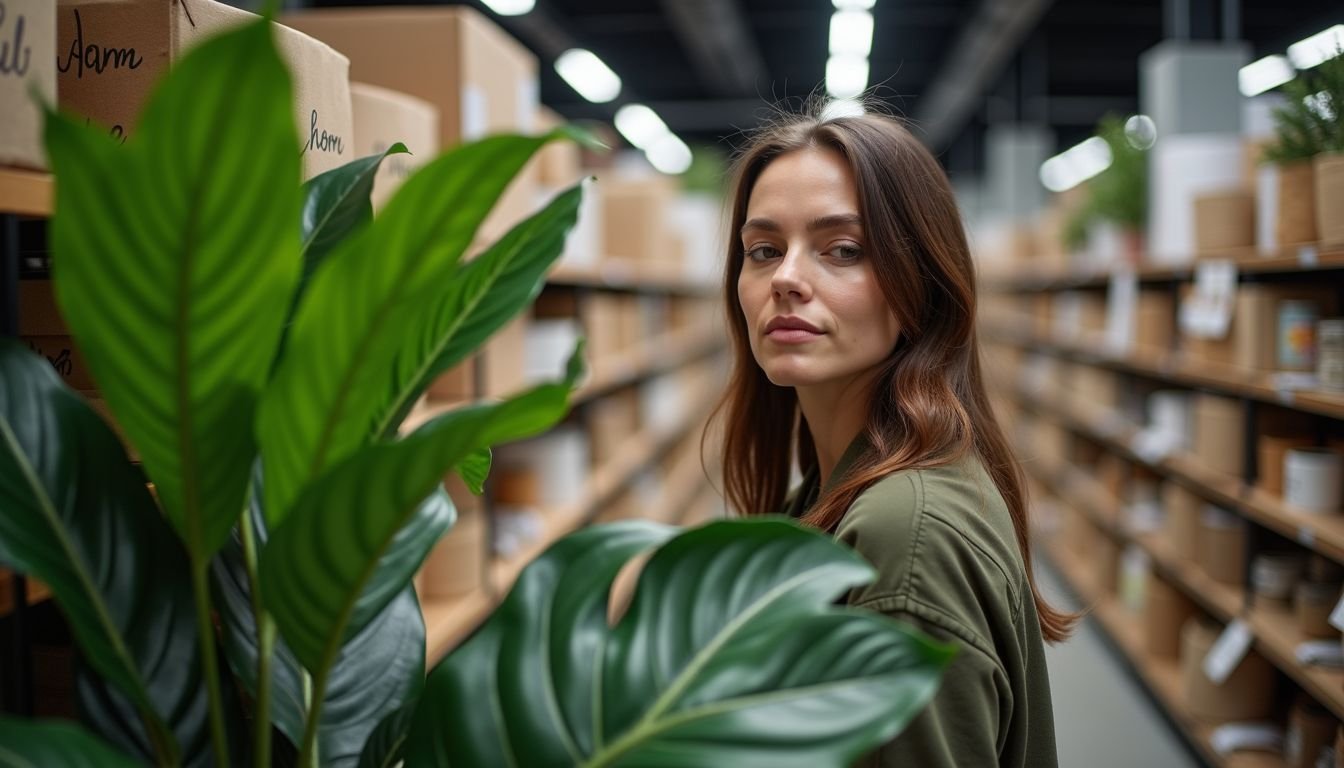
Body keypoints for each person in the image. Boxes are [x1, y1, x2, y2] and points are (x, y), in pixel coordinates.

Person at [712, 105, 1073, 767]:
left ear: (921, 285)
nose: (786, 278)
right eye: (763, 250)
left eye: (842, 249)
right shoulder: (838, 487)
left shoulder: (903, 536)